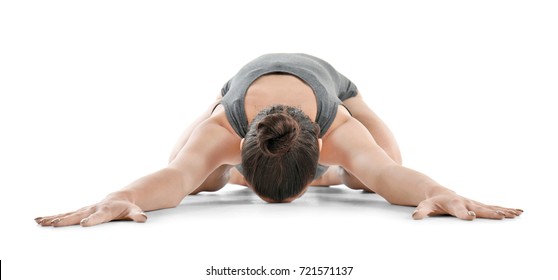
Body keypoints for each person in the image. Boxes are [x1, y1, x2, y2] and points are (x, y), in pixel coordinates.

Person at [35, 53, 522, 227]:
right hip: (237, 91)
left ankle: (327, 175)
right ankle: (231, 166)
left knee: (366, 179)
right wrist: (120, 197)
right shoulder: (225, 123)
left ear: (322, 145)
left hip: (330, 82)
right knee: (196, 179)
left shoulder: (339, 124)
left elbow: (392, 172)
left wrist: (441, 191)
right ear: (242, 147)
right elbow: (173, 176)